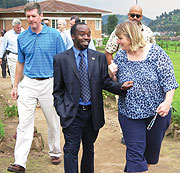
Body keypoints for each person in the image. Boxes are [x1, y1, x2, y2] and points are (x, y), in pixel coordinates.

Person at [53, 22, 133, 173]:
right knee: (71, 150)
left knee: (89, 149)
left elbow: (104, 82)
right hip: (72, 114)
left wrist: (120, 87)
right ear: (73, 36)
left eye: (88, 34)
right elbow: (57, 90)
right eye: (82, 34)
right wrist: (62, 111)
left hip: (92, 114)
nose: (86, 37)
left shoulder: (99, 57)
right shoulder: (61, 59)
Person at [108, 21, 179, 173]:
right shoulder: (120, 55)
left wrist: (167, 103)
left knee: (148, 157)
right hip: (129, 113)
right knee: (135, 154)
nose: (117, 42)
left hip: (156, 114)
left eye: (120, 38)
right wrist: (112, 75)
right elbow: (117, 85)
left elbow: (170, 82)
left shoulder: (156, 53)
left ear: (132, 36)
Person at [7, 2, 66, 173]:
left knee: (53, 121)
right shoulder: (22, 37)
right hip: (29, 83)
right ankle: (20, 162)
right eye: (28, 17)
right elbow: (20, 63)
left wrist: (63, 85)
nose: (31, 19)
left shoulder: (54, 35)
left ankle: (55, 151)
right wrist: (15, 85)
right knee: (24, 123)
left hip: (50, 82)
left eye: (34, 16)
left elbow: (62, 61)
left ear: (41, 16)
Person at [106, 4, 156, 145]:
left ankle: (146, 130)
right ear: (128, 15)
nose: (134, 18)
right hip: (124, 74)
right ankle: (126, 133)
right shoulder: (119, 31)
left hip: (145, 78)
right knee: (124, 103)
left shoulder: (147, 32)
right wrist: (112, 67)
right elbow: (109, 51)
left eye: (137, 16)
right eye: (132, 15)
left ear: (141, 17)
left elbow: (154, 51)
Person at [0, 19, 24, 86]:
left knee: (23, 74)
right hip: (12, 56)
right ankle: (16, 91)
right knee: (14, 74)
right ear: (13, 27)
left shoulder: (24, 32)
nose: (19, 29)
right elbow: (3, 46)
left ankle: (21, 90)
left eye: (20, 27)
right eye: (17, 28)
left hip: (22, 56)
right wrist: (0, 57)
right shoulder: (8, 35)